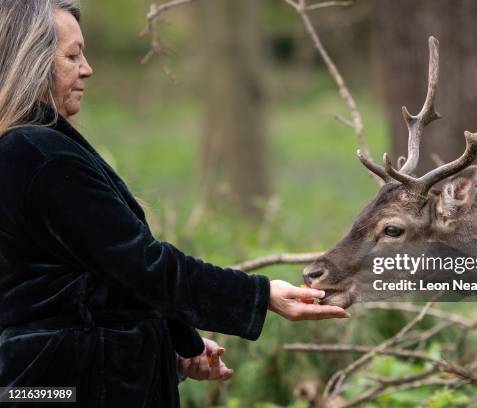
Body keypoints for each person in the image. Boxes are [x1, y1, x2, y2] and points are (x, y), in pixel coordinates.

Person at [0, 1, 349, 406]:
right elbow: (141, 265)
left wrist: (179, 344)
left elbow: (102, 279)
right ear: (34, 62)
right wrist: (259, 294)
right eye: (73, 55)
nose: (87, 68)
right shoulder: (37, 152)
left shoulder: (27, 148)